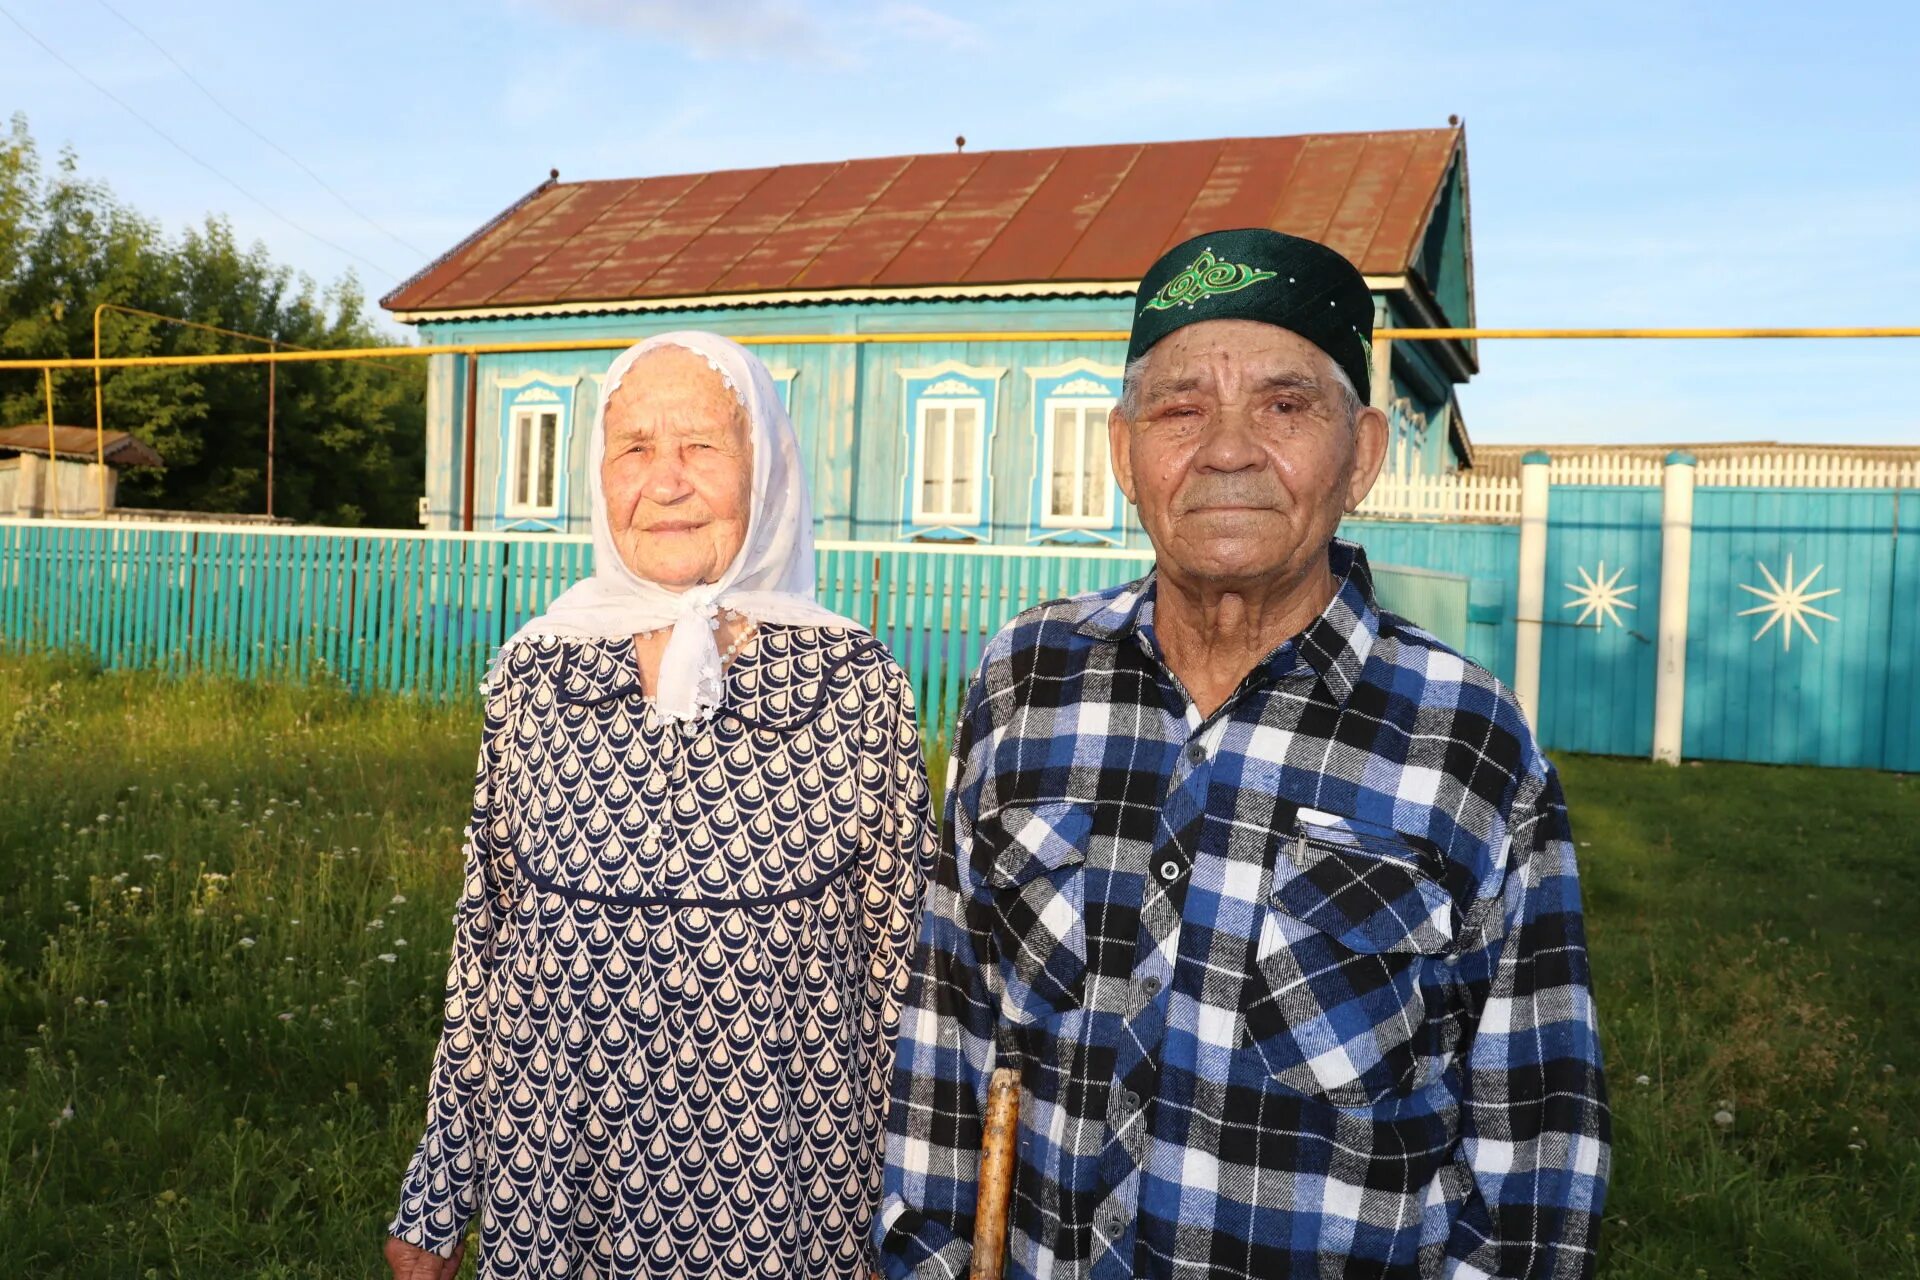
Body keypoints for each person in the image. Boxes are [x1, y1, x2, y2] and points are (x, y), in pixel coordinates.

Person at [878, 230, 1608, 1279]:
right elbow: (947, 1030)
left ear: (1359, 453)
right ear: (1124, 452)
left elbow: (1538, 1157)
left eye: (1283, 405)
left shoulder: (1469, 741)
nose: (1227, 449)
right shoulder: (1023, 681)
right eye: (1180, 408)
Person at [386, 331, 933, 1280]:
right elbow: (486, 955)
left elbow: (909, 983)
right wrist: (437, 1200)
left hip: (778, 1207)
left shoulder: (853, 682)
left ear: (763, 467)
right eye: (634, 447)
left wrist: (926, 1228)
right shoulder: (536, 671)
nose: (665, 481)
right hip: (554, 1191)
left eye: (702, 447)